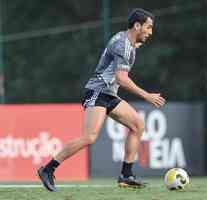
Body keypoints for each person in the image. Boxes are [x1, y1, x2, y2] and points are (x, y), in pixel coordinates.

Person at [37, 8, 166, 192]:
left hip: (109, 94)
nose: (150, 32)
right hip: (97, 91)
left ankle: (126, 175)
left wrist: (133, 47)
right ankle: (47, 169)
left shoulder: (127, 42)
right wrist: (146, 95)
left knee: (138, 125)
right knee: (89, 137)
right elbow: (121, 78)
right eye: (148, 27)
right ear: (137, 25)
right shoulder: (122, 44)